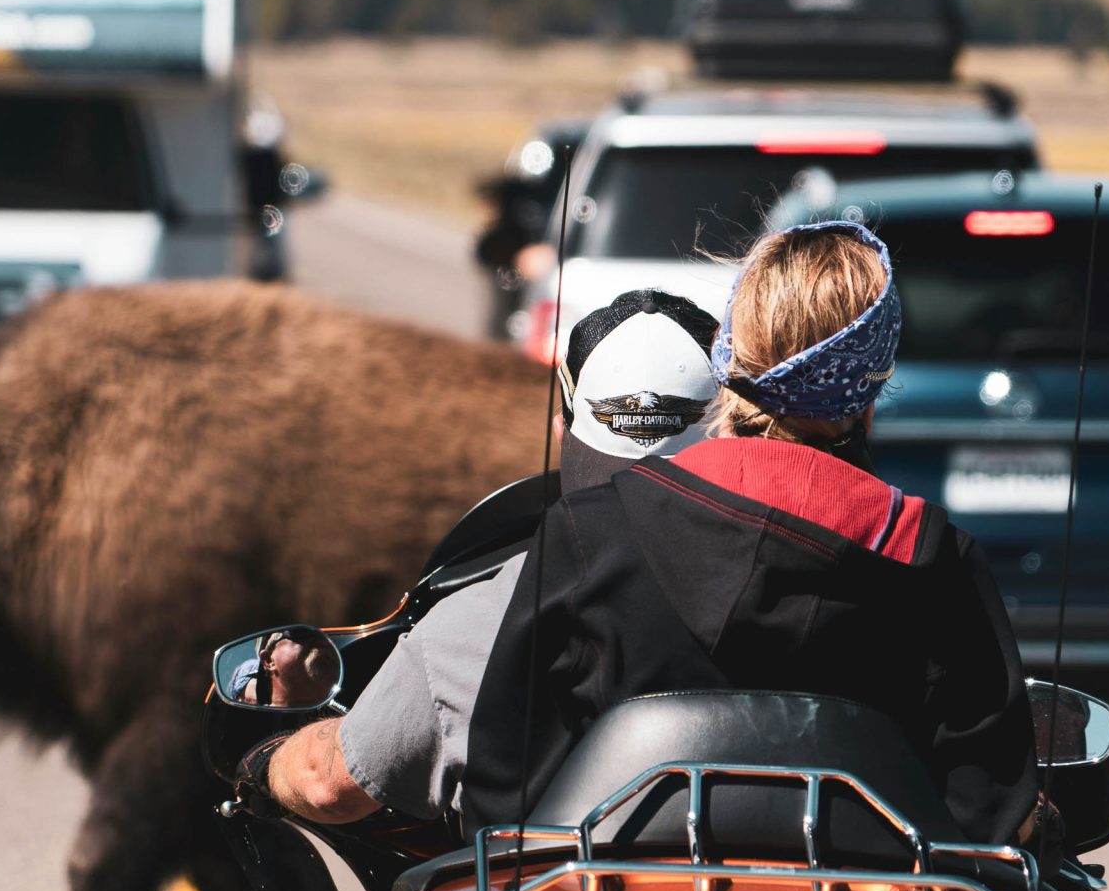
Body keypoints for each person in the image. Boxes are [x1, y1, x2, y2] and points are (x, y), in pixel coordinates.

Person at [241, 223, 1041, 855]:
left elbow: (503, 804)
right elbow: (988, 824)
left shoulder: (586, 538)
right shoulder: (931, 559)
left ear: (732, 359)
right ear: (871, 392)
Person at [232, 289, 721, 824]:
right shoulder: (808, 593)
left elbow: (327, 784)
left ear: (563, 425)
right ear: (731, 428)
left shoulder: (489, 615)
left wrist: (266, 759)